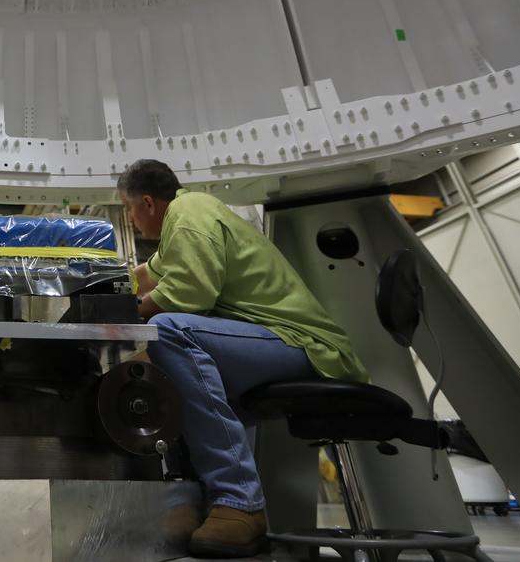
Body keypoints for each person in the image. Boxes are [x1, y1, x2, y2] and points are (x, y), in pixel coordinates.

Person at [117, 160, 367, 558]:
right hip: (271, 344)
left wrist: (130, 310)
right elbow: (146, 275)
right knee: (170, 380)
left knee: (168, 330)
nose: (130, 219)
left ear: (146, 202)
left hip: (300, 343)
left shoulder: (189, 212)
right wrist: (98, 280)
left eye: (128, 209)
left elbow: (188, 294)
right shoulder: (183, 224)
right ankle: (189, 501)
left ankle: (239, 503)